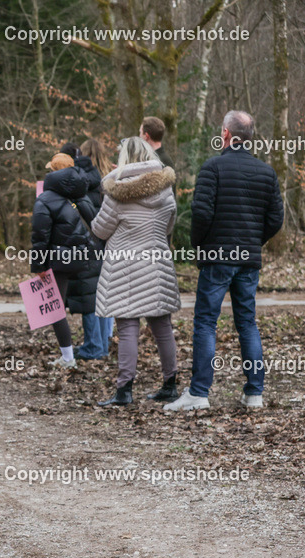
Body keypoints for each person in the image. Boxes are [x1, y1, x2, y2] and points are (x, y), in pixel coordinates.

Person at [166, 110, 284, 411]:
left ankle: (199, 393)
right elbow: (275, 219)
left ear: (226, 135)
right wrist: (254, 241)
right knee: (247, 322)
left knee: (206, 321)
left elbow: (202, 214)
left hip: (217, 255)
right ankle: (254, 393)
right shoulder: (267, 173)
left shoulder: (212, 167)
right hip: (248, 258)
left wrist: (199, 246)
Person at [91, 137, 180, 406]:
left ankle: (125, 390)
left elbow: (100, 230)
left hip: (124, 266)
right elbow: (168, 227)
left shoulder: (117, 193)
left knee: (128, 326)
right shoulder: (166, 191)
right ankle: (170, 384)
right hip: (157, 262)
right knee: (162, 326)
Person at [30, 153, 96, 368]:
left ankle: (68, 358)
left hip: (58, 260)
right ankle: (84, 349)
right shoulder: (79, 196)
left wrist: (39, 266)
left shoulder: (45, 199)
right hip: (81, 256)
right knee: (84, 304)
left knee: (53, 308)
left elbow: (40, 236)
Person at [71, 138, 114, 360]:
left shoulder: (78, 181)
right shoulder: (110, 179)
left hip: (85, 242)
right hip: (107, 242)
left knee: (88, 294)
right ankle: (103, 341)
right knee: (103, 293)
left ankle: (93, 345)